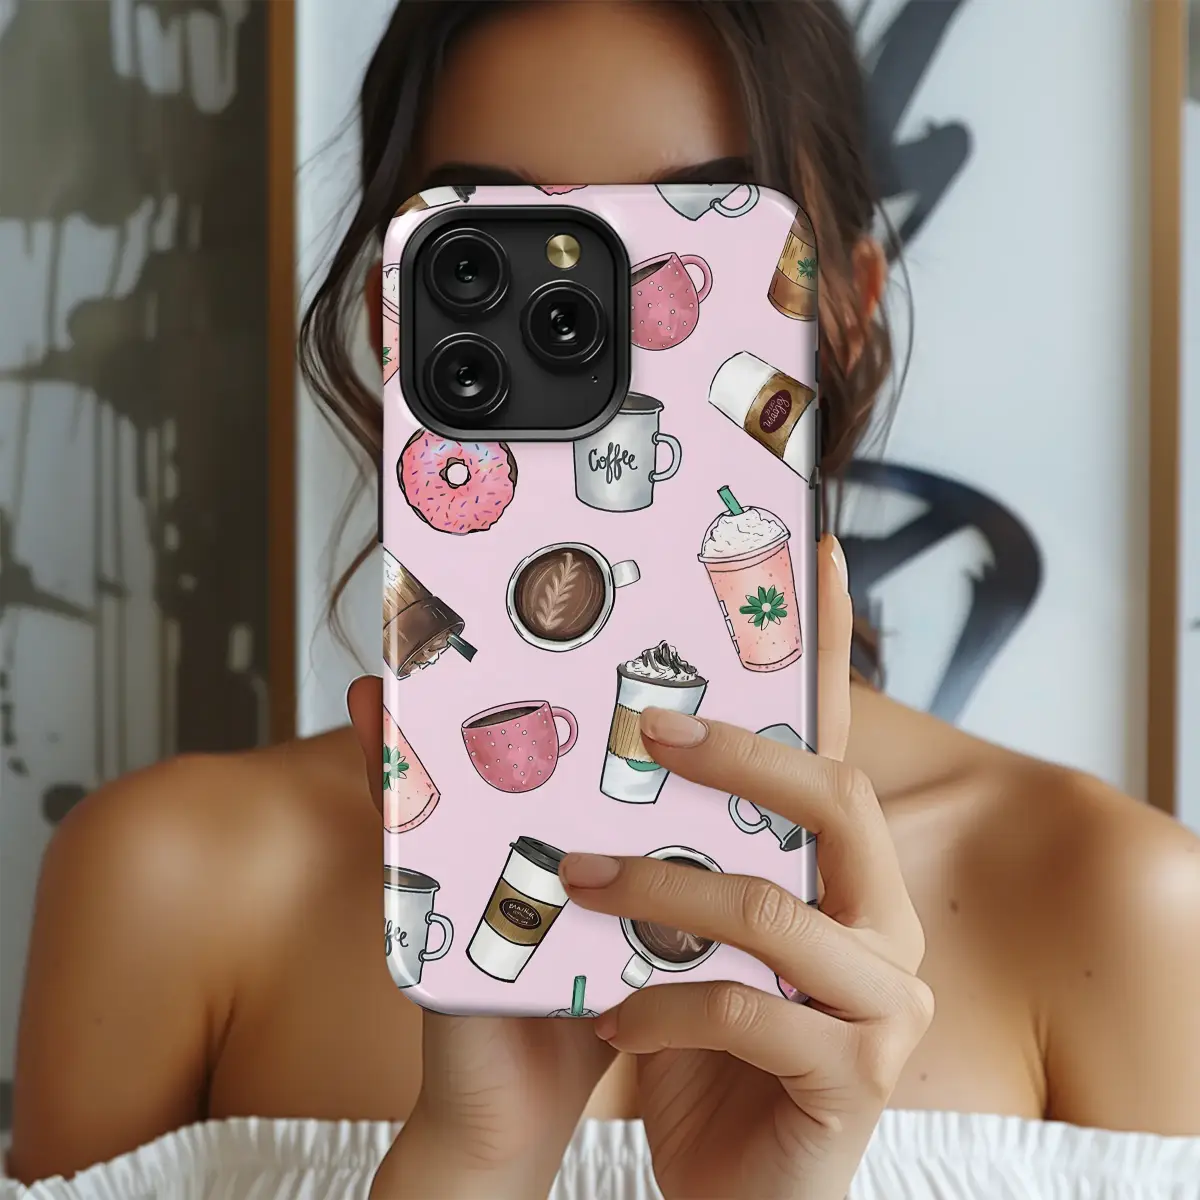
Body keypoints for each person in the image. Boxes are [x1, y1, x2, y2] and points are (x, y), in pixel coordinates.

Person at [7, 2, 1200, 1197]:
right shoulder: (168, 886)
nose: (609, 326)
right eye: (491, 252)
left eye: (698, 233)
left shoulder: (1117, 908)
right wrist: (475, 1162)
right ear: (392, 314)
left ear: (846, 309)